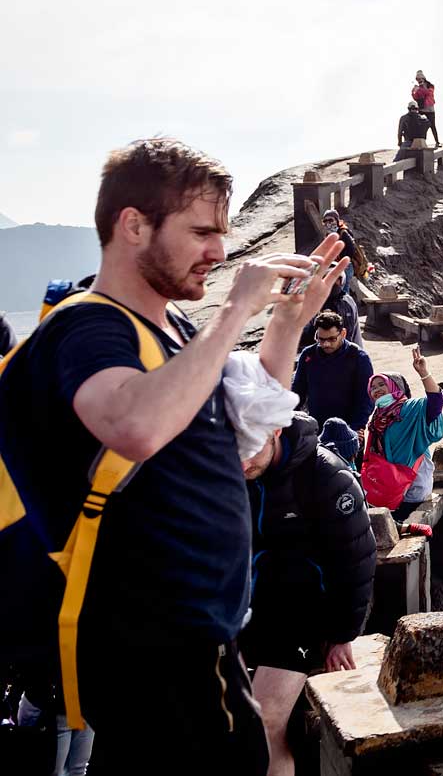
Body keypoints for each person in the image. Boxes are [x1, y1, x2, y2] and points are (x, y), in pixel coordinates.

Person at [0, 138, 347, 775]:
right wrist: (237, 307)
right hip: (148, 646)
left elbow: (235, 432)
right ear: (133, 225)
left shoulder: (175, 330)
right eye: (201, 232)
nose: (219, 251)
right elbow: (133, 423)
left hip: (200, 640)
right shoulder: (89, 326)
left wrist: (289, 323)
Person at [241, 413, 375, 776]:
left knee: (265, 721)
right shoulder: (233, 472)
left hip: (304, 616)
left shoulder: (325, 476)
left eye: (249, 448)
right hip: (248, 609)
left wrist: (343, 634)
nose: (241, 461)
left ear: (275, 429)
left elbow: (357, 558)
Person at [360, 347, 443, 519]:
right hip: (388, 486)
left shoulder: (412, 409)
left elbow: (436, 403)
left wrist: (424, 373)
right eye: (373, 387)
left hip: (413, 485)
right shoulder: (377, 417)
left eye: (382, 384)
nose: (377, 390)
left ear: (395, 386)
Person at [292, 311, 375, 436]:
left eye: (332, 339)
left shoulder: (358, 357)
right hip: (316, 428)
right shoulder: (308, 355)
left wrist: (356, 428)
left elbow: (366, 398)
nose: (326, 344)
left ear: (343, 333)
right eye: (321, 339)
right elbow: (298, 390)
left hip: (349, 430)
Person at [411, 71, 439, 145]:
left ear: (423, 78)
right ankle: (422, 143)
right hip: (422, 109)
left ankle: (437, 141)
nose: (419, 80)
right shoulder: (418, 88)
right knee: (421, 127)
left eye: (420, 78)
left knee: (432, 126)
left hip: (430, 109)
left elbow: (428, 93)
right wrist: (413, 91)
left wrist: (420, 89)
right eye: (417, 79)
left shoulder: (430, 86)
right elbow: (416, 97)